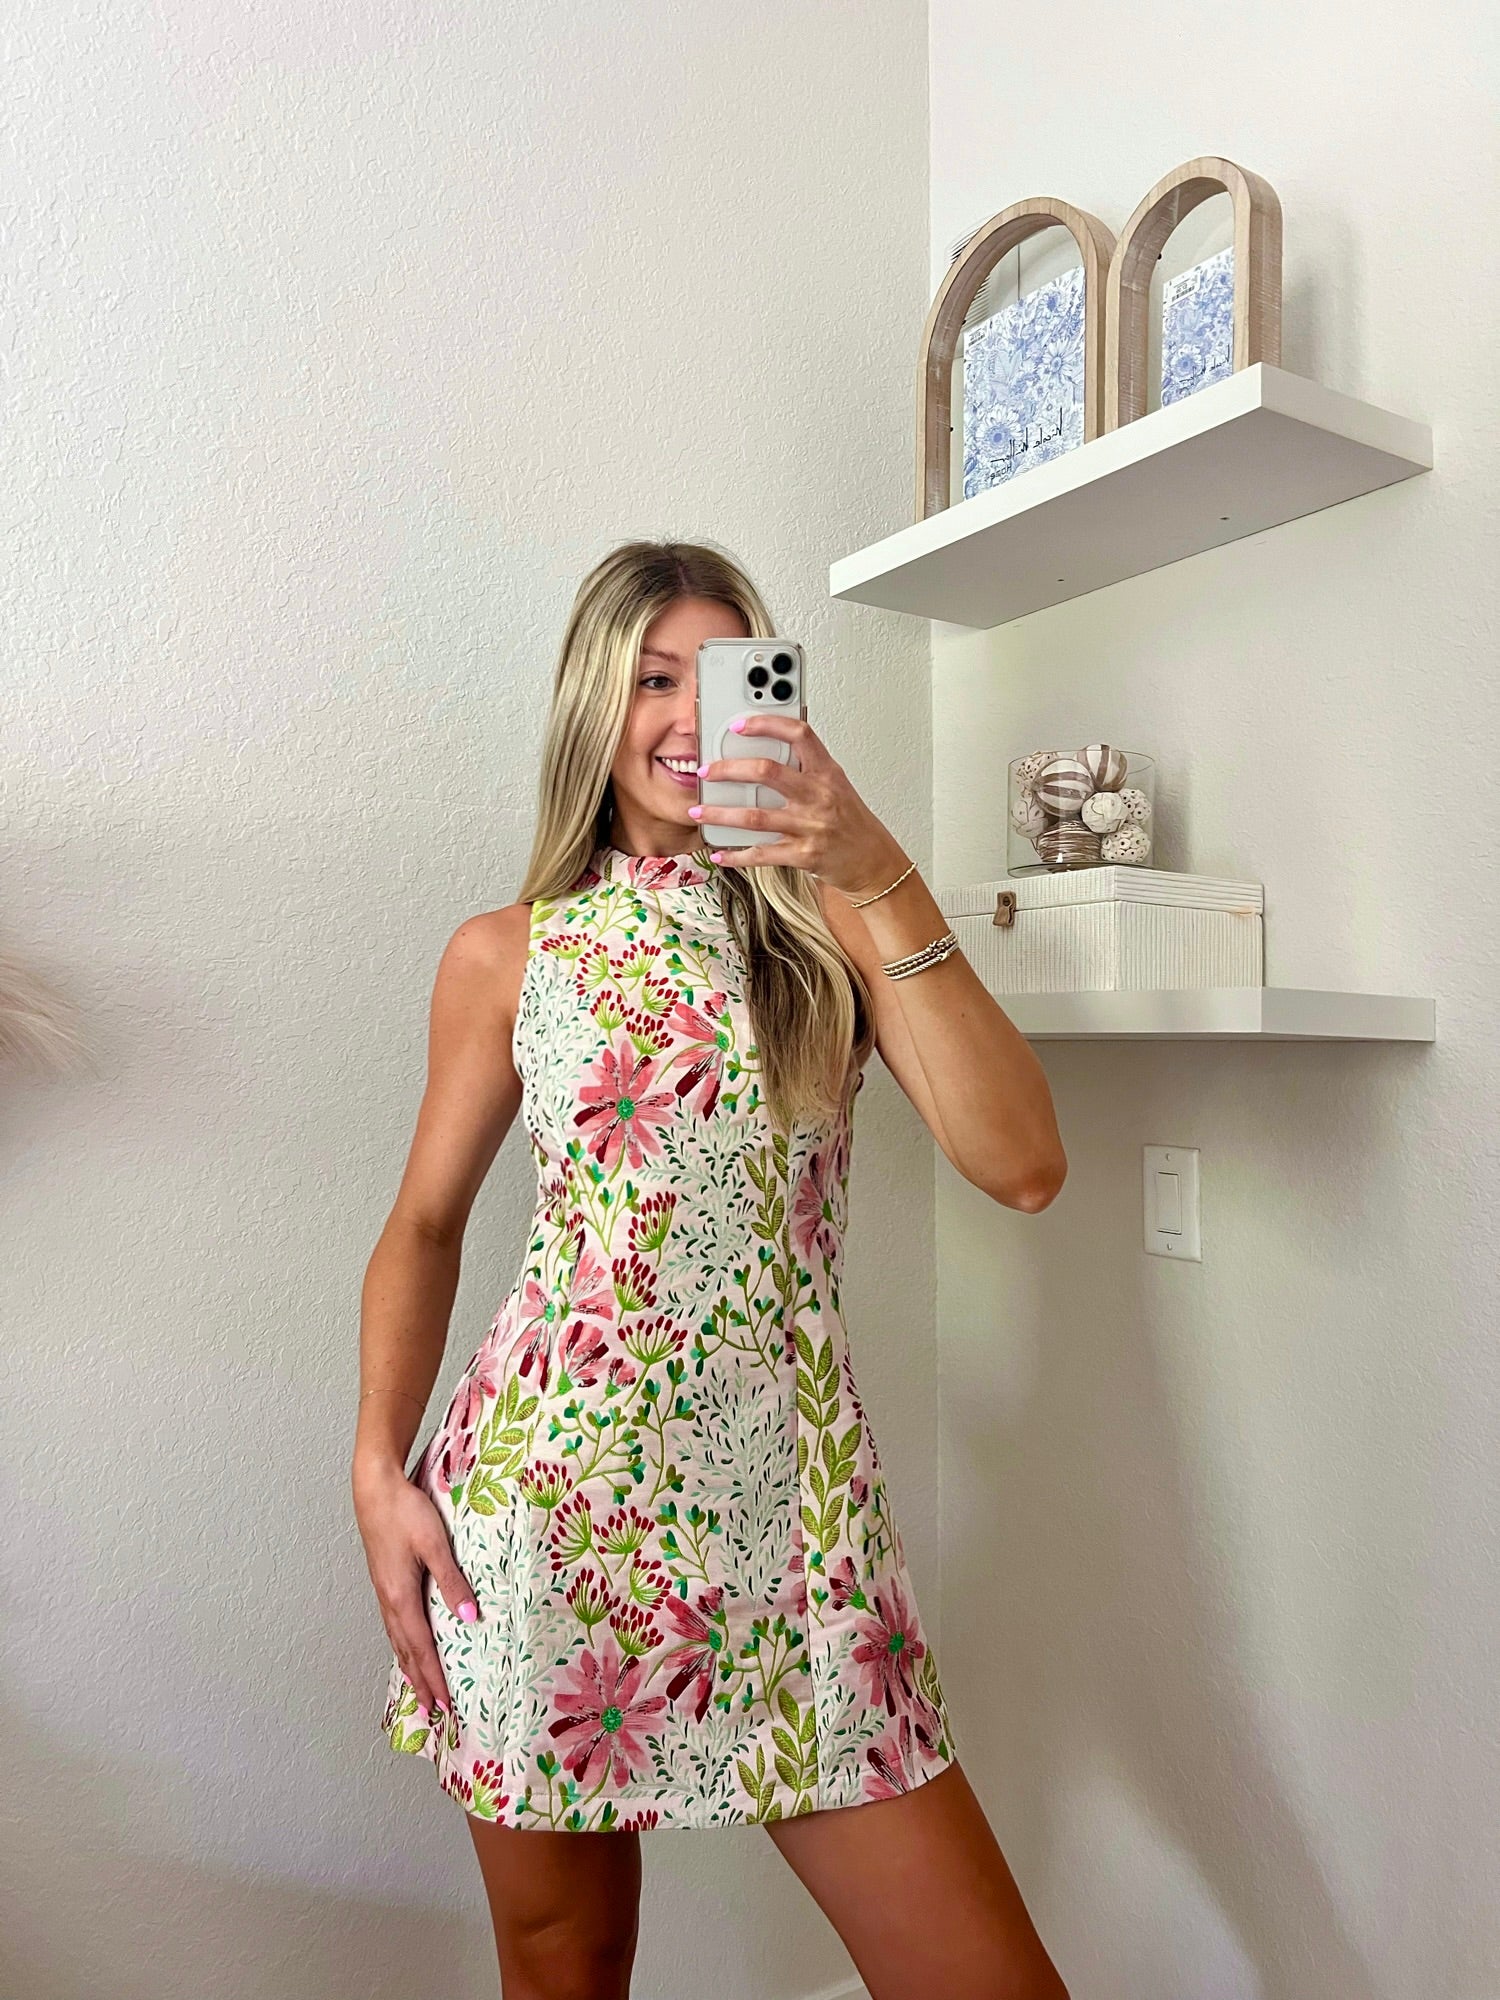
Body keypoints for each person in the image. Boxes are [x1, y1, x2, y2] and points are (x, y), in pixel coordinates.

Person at [351, 540, 1070, 2000]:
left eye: (726, 677)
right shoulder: (512, 953)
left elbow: (1022, 1163)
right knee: (568, 1962)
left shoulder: (830, 934)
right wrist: (377, 1470)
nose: (688, 717)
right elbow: (425, 1225)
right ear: (593, 711)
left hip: (796, 1533)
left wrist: (869, 863)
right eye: (652, 679)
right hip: (549, 1515)